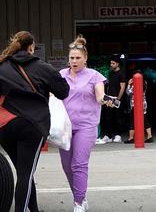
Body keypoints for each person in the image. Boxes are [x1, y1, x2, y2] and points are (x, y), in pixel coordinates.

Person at [0, 31, 70, 212]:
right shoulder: (42, 67)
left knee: (24, 174)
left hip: (4, 126)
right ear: (31, 47)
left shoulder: (0, 66)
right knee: (26, 174)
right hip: (31, 124)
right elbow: (63, 92)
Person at [59, 34, 110, 212]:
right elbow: (52, 96)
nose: (74, 61)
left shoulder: (95, 76)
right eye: (72, 58)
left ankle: (78, 203)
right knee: (66, 166)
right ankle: (80, 196)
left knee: (78, 164)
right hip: (64, 127)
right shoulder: (61, 75)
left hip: (86, 126)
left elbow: (99, 95)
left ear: (85, 59)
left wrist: (105, 100)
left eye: (78, 58)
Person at [100, 54, 126, 143]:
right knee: (108, 117)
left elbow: (122, 87)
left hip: (117, 98)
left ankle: (118, 135)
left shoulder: (122, 73)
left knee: (118, 117)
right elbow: (108, 85)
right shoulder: (110, 73)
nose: (111, 65)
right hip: (109, 98)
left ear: (117, 64)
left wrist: (118, 98)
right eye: (111, 63)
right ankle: (108, 135)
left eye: (113, 63)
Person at [124, 69, 154, 143]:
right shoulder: (145, 82)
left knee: (132, 121)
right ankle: (149, 136)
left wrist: (128, 84)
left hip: (135, 105)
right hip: (143, 104)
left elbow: (128, 92)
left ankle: (131, 138)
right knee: (144, 119)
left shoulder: (135, 83)